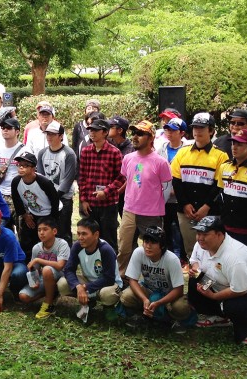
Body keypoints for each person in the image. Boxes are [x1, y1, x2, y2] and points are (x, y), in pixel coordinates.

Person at [188, 216, 247, 344]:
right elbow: (194, 261)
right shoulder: (201, 245)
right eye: (198, 233)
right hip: (222, 283)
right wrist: (195, 270)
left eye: (205, 234)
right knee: (195, 281)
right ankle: (220, 316)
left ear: (219, 235)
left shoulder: (234, 256)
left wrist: (214, 296)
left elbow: (240, 290)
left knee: (232, 306)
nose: (200, 238)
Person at [116, 120, 172, 277]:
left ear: (150, 138)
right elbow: (130, 179)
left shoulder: (161, 162)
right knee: (124, 248)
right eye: (134, 133)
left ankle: (155, 281)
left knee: (153, 250)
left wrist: (158, 204)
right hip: (129, 211)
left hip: (151, 214)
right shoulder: (128, 158)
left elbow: (167, 187)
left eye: (140, 134)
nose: (135, 137)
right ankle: (124, 279)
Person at [170, 112, 228, 261]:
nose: (197, 131)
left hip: (210, 212)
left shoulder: (221, 156)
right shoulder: (182, 153)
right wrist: (185, 204)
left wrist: (206, 206)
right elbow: (176, 181)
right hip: (186, 212)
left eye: (202, 128)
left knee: (213, 251)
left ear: (211, 131)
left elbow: (219, 185)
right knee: (192, 253)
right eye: (195, 127)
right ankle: (195, 283)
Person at [120, 226, 192, 329]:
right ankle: (142, 313)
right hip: (148, 290)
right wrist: (144, 299)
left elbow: (179, 290)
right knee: (126, 296)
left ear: (162, 246)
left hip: (169, 294)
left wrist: (159, 302)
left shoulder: (172, 259)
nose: (148, 246)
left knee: (181, 307)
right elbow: (132, 280)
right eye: (146, 241)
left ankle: (169, 318)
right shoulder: (138, 252)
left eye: (153, 242)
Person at [57, 218, 121, 320]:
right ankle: (89, 301)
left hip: (109, 284)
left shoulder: (105, 249)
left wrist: (85, 287)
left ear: (96, 235)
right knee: (62, 283)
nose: (80, 237)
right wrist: (79, 287)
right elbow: (69, 270)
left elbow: (109, 279)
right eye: (78, 233)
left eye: (84, 234)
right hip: (88, 281)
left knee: (107, 294)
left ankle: (108, 307)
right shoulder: (77, 246)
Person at [77, 118, 125, 252]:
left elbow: (121, 176)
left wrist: (107, 191)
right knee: (90, 237)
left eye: (96, 130)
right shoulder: (86, 151)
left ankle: (110, 268)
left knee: (108, 237)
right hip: (90, 203)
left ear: (105, 132)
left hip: (108, 203)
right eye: (90, 130)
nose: (92, 133)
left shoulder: (114, 152)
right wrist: (84, 200)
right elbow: (82, 176)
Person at [10, 152, 61, 259]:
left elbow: (55, 201)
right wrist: (25, 215)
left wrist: (51, 221)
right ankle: (28, 264)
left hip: (50, 212)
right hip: (32, 212)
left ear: (33, 168)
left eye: (26, 165)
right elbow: (16, 200)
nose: (21, 168)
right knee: (27, 240)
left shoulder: (44, 182)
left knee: (46, 239)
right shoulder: (16, 182)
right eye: (19, 165)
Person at [19, 218, 70, 320]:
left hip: (62, 277)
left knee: (46, 269)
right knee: (23, 296)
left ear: (54, 231)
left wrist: (39, 260)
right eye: (39, 230)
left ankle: (48, 304)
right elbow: (35, 270)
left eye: (45, 229)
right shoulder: (36, 248)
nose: (41, 233)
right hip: (46, 277)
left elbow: (60, 266)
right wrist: (35, 281)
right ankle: (52, 293)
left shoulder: (62, 244)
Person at [36, 120, 76, 244]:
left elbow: (68, 180)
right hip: (47, 198)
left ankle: (67, 260)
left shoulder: (69, 154)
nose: (49, 137)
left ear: (60, 136)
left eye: (52, 134)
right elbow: (41, 176)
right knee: (47, 231)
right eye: (47, 134)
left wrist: (54, 197)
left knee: (63, 231)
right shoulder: (42, 153)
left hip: (63, 198)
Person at [156, 117, 191, 260]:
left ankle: (183, 257)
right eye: (167, 129)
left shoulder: (188, 149)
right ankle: (168, 254)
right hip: (164, 197)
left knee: (182, 228)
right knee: (166, 228)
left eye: (173, 130)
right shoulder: (161, 148)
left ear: (182, 133)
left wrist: (176, 189)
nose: (169, 133)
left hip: (180, 197)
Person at [0, 118, 25, 228]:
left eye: (8, 128)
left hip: (18, 194)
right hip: (1, 194)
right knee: (1, 230)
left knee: (22, 231)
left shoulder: (25, 151)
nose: (5, 130)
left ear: (17, 132)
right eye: (3, 128)